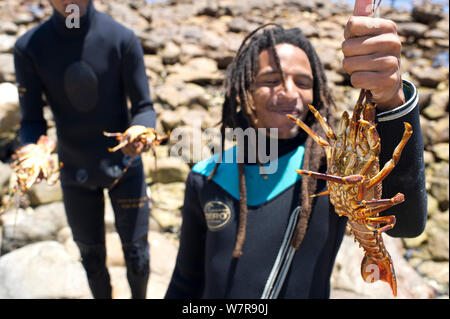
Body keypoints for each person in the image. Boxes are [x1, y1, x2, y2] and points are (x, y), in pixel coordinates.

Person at [165, 2, 427, 298]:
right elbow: (185, 282)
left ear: (317, 93)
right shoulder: (206, 176)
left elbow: (406, 223)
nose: (289, 92)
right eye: (270, 80)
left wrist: (391, 99)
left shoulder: (330, 170)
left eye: (303, 82)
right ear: (243, 90)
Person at [14, 0, 156, 299]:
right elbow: (31, 121)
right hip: (74, 171)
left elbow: (143, 108)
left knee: (138, 257)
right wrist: (33, 152)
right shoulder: (29, 48)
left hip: (125, 167)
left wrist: (140, 132)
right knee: (91, 259)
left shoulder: (121, 39)